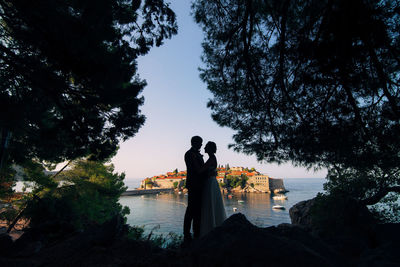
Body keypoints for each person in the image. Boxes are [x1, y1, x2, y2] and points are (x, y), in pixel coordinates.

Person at [199, 141, 227, 237]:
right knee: (212, 203)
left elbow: (200, 170)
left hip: (210, 183)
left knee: (209, 203)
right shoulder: (212, 158)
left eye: (206, 147)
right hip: (212, 182)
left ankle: (210, 227)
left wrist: (199, 160)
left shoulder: (211, 159)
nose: (204, 148)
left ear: (210, 149)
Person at [183, 136, 205, 243]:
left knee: (198, 211)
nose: (201, 145)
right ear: (194, 143)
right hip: (193, 184)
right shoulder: (189, 154)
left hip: (199, 185)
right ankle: (187, 234)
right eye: (200, 143)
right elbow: (197, 169)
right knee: (191, 209)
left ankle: (197, 233)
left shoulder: (195, 154)